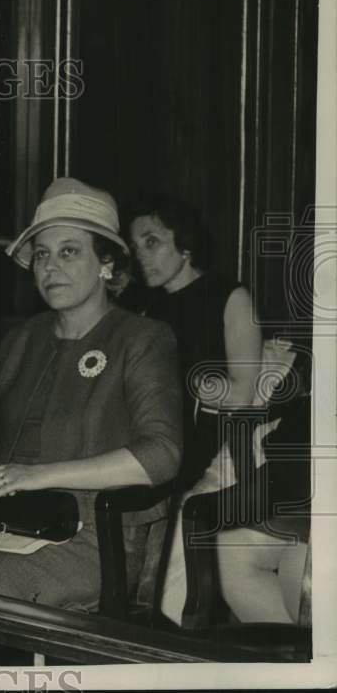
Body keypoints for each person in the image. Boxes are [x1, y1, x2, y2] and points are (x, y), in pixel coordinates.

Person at [0, 178, 182, 613]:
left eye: (69, 251)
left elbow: (162, 455)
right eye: (42, 255)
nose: (50, 267)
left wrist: (39, 475)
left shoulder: (142, 339)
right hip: (2, 524)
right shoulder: (20, 339)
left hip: (89, 540)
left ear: (106, 264)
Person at [126, 195, 308, 626]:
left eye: (152, 242)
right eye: (135, 247)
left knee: (183, 517)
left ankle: (168, 638)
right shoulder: (143, 307)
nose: (141, 255)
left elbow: (243, 394)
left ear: (185, 244)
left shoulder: (229, 296)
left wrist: (182, 378)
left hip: (235, 441)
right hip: (170, 435)